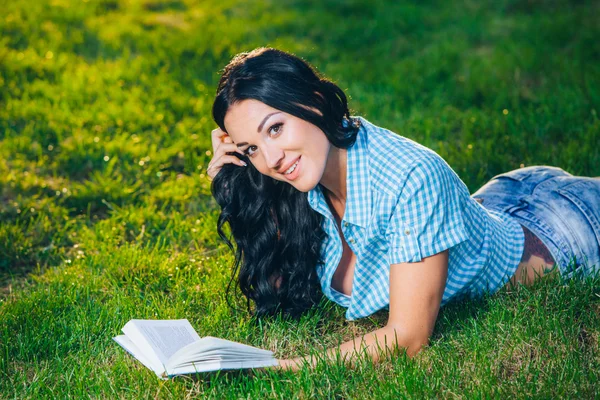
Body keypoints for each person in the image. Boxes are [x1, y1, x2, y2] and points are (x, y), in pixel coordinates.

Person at [206, 47, 600, 371]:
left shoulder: (410, 177)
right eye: (251, 149)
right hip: (501, 198)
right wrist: (238, 186)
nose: (271, 158)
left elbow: (409, 338)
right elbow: (278, 285)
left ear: (316, 102)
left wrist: (274, 369)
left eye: (275, 128)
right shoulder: (300, 179)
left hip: (562, 228)